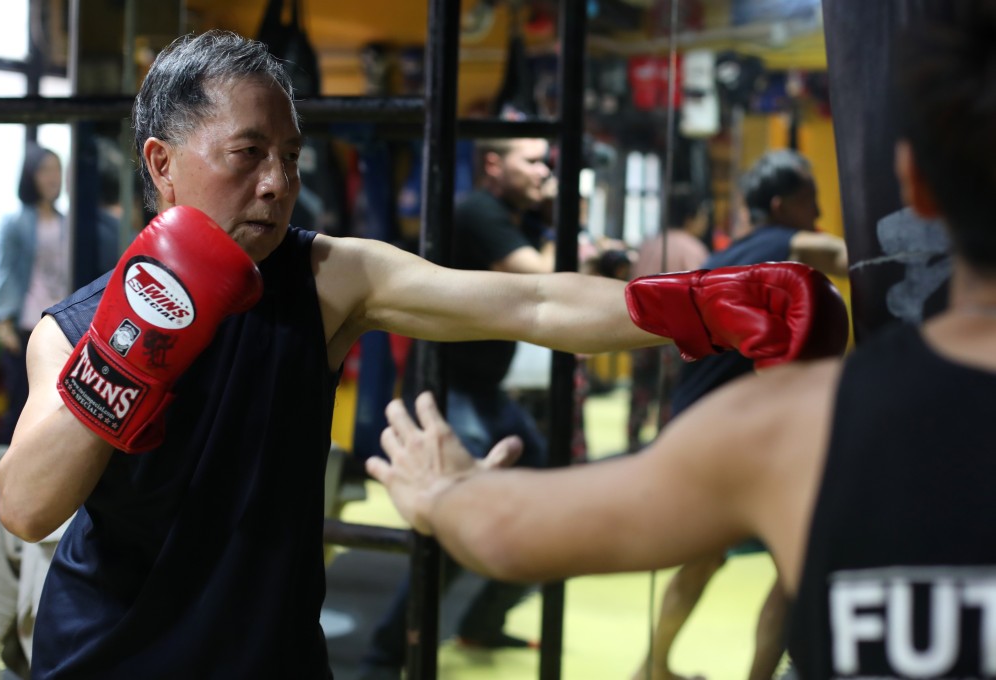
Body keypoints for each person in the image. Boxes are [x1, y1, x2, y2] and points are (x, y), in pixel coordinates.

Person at [0, 30, 822, 679]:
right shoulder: (71, 329)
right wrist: (136, 344)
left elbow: (528, 300)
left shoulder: (323, 278)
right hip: (107, 660)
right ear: (162, 165)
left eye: (289, 156)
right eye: (249, 154)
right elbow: (28, 506)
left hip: (267, 661)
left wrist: (704, 306)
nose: (279, 182)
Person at [367, 3, 996, 677]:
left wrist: (444, 492)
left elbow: (516, 531)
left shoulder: (797, 423)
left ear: (914, 186)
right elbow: (539, 295)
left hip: (700, 413)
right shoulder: (766, 338)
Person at [631, 148, 849, 680]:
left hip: (696, 425)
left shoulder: (729, 254)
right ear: (780, 205)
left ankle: (652, 669)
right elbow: (838, 255)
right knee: (794, 569)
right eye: (808, 200)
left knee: (706, 559)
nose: (816, 210)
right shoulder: (781, 244)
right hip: (726, 434)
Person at [359, 137, 558, 679]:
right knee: (452, 521)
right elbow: (538, 278)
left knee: (549, 504)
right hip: (449, 391)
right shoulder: (479, 211)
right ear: (494, 165)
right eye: (533, 161)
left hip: (486, 391)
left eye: (547, 161)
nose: (545, 170)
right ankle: (385, 655)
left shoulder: (516, 215)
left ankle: (483, 621)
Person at [0, 142, 69, 446]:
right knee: (20, 402)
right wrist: (3, 322)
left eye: (57, 169)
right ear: (30, 175)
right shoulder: (15, 221)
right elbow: (3, 272)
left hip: (57, 324)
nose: (52, 177)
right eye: (45, 170)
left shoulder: (67, 222)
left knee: (53, 404)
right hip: (23, 325)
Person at [626, 186, 711, 453]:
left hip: (639, 331)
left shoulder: (648, 244)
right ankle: (664, 450)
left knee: (640, 391)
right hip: (674, 337)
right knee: (669, 394)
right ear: (692, 217)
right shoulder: (693, 248)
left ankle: (632, 444)